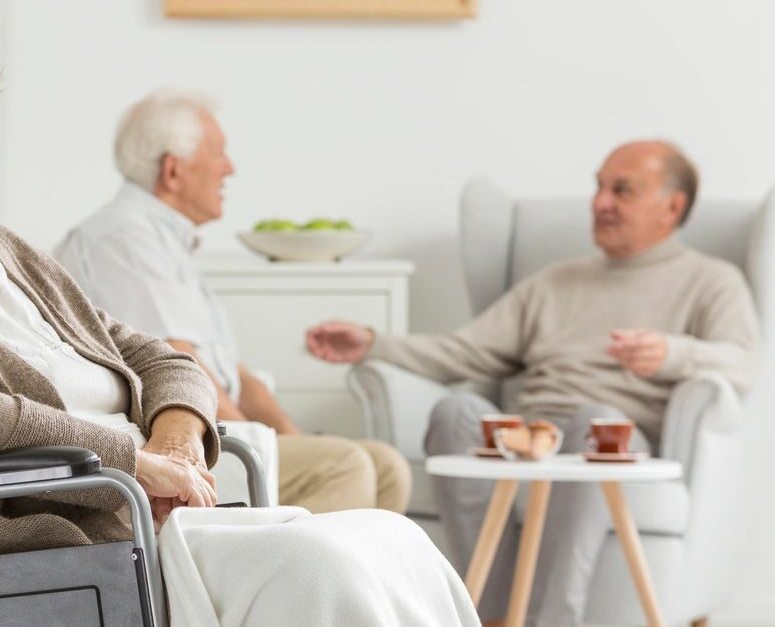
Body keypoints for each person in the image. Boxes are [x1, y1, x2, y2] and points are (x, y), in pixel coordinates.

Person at [0, 2, 479, 625]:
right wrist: (129, 462)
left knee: (396, 541)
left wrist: (171, 451)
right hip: (29, 546)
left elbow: (162, 359)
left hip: (132, 517)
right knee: (322, 566)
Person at [305, 141, 761, 626]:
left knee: (596, 420)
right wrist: (374, 344)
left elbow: (744, 365)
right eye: (600, 186)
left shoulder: (711, 281)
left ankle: (552, 618)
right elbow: (466, 350)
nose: (600, 202)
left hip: (611, 434)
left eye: (622, 191)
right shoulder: (556, 281)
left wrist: (672, 353)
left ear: (673, 207)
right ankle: (490, 614)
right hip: (530, 432)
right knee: (455, 411)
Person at [54, 90, 411, 515]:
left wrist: (290, 440)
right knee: (344, 465)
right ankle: (289, 579)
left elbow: (233, 376)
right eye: (219, 153)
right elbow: (180, 365)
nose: (230, 168)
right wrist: (253, 446)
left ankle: (357, 583)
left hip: (216, 429)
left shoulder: (162, 240)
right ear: (173, 170)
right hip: (172, 450)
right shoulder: (123, 240)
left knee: (387, 466)